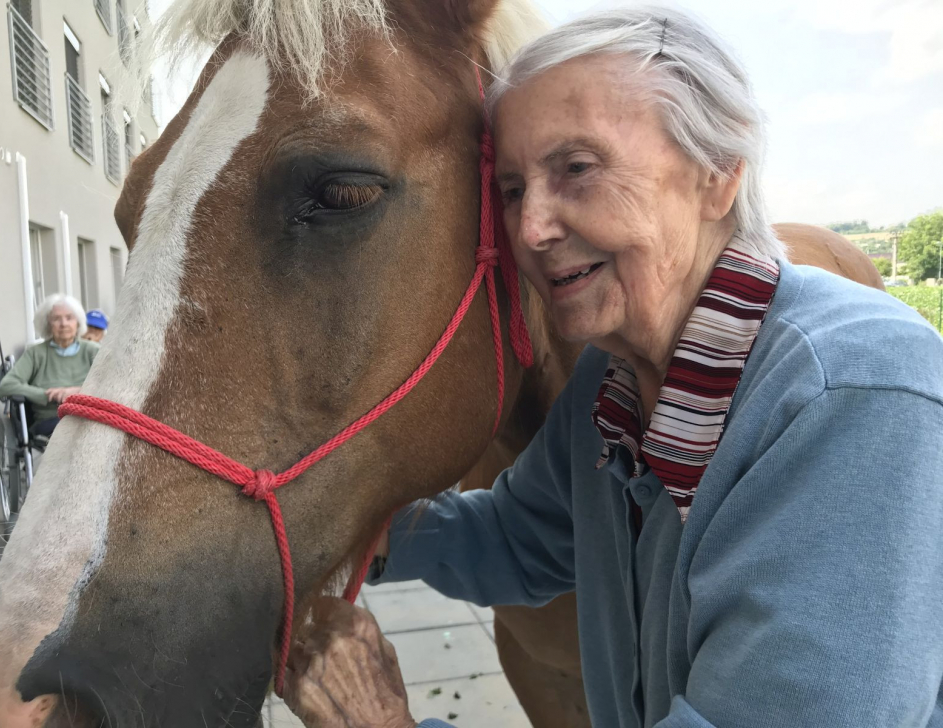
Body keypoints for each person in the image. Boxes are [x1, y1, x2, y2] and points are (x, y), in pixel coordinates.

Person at [284, 7, 943, 728]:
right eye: (511, 190)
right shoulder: (611, 383)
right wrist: (351, 531)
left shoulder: (852, 395)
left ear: (717, 175)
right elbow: (518, 539)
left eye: (577, 168)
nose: (531, 229)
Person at [0, 294, 99, 438]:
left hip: (90, 416)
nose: (63, 324)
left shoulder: (93, 350)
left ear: (77, 322)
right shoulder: (35, 353)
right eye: (56, 319)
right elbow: (6, 385)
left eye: (69, 318)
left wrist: (77, 391)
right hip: (51, 420)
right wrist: (46, 395)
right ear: (48, 324)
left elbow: (111, 384)